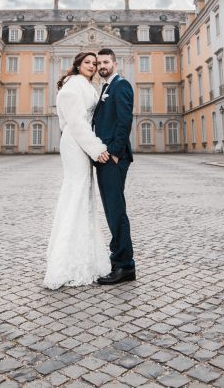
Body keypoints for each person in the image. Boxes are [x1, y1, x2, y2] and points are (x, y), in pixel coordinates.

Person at [43, 52, 112, 289]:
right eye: (88, 63)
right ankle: (65, 262)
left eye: (94, 63)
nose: (92, 66)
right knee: (76, 193)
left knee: (82, 194)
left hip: (80, 142)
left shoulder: (83, 85)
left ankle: (83, 255)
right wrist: (97, 149)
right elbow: (77, 123)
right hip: (76, 143)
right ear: (77, 65)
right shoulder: (73, 87)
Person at [91, 48, 136, 284]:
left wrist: (116, 153)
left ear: (115, 63)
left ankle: (126, 265)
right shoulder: (105, 87)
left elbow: (125, 120)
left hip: (113, 158)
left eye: (106, 62)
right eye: (99, 62)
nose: (101, 65)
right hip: (104, 156)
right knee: (111, 211)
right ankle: (117, 258)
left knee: (116, 212)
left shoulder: (121, 85)